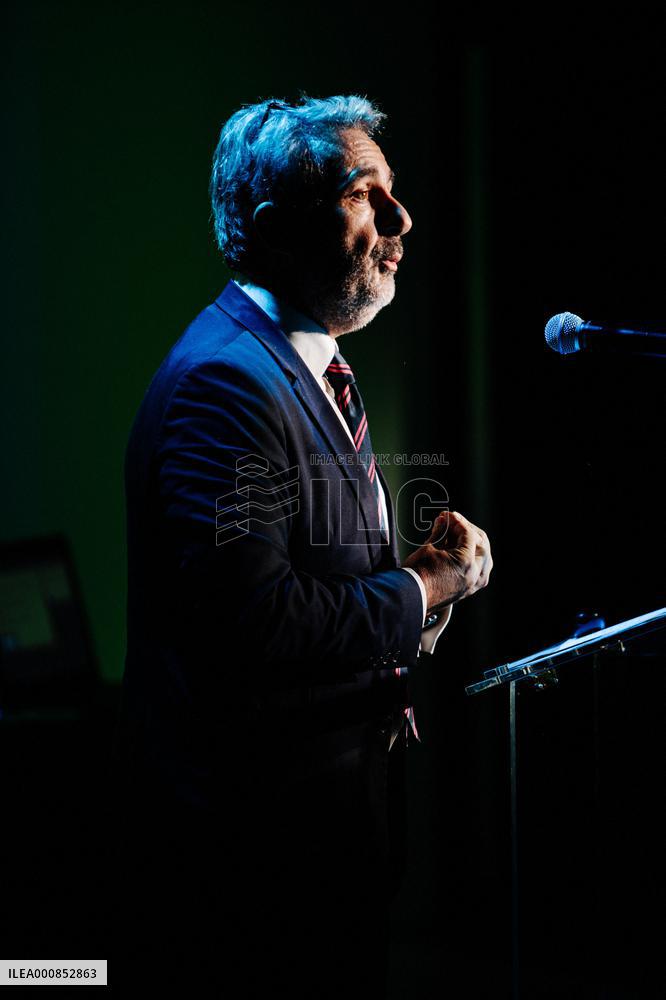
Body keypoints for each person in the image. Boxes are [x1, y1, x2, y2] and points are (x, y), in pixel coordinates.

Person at [108, 94, 492, 996]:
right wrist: (426, 586)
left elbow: (304, 585)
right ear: (277, 230)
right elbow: (259, 623)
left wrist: (412, 601)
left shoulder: (299, 362)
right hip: (256, 868)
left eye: (392, 191)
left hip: (317, 847)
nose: (402, 218)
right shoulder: (224, 386)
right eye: (367, 195)